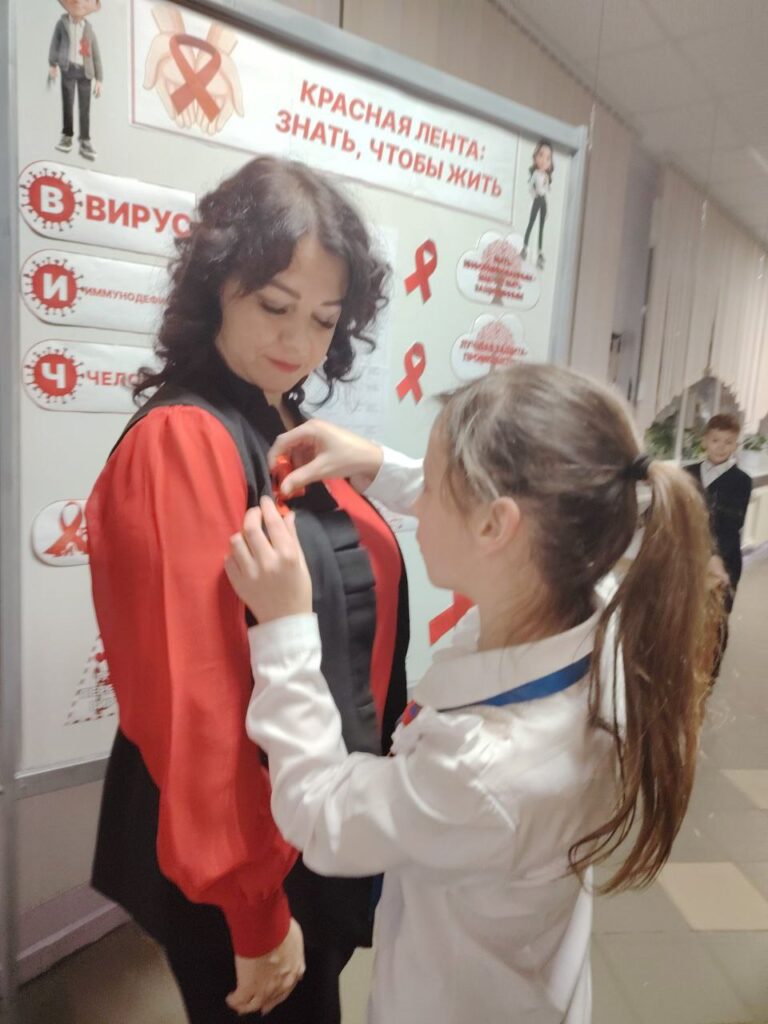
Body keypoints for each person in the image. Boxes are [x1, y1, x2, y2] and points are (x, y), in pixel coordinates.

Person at [224, 365, 718, 1024]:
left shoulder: (484, 767)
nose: (419, 502)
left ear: (494, 526)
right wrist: (376, 464)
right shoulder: (595, 597)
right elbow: (507, 511)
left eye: (432, 486)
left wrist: (286, 627)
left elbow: (320, 814)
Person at [86, 157, 410, 1023]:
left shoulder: (285, 419)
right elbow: (196, 699)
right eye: (274, 305)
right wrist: (254, 908)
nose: (299, 341)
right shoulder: (185, 441)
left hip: (307, 813)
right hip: (247, 848)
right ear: (217, 286)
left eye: (324, 319)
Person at [685, 413, 753, 675]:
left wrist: (713, 555)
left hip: (724, 557)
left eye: (728, 442)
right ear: (705, 440)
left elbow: (730, 523)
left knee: (717, 616)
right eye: (716, 440)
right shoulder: (687, 473)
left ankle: (710, 674)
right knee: (687, 612)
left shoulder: (741, 481)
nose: (721, 447)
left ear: (735, 444)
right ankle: (684, 667)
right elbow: (675, 509)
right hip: (688, 556)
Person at [48, 0, 103, 161]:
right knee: (68, 103)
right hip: (68, 68)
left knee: (84, 108)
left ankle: (85, 140)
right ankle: (67, 136)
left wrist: (99, 78)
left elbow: (96, 54)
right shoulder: (62, 24)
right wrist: (53, 64)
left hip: (85, 72)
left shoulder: (89, 29)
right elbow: (55, 43)